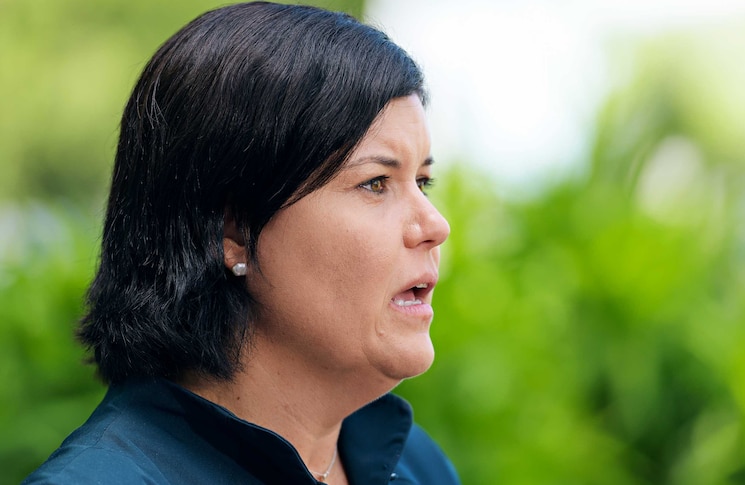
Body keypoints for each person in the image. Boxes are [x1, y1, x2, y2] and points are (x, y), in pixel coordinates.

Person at [23, 2, 458, 484]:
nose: (435, 224)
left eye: (423, 181)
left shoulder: (414, 464)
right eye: (376, 182)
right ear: (232, 231)